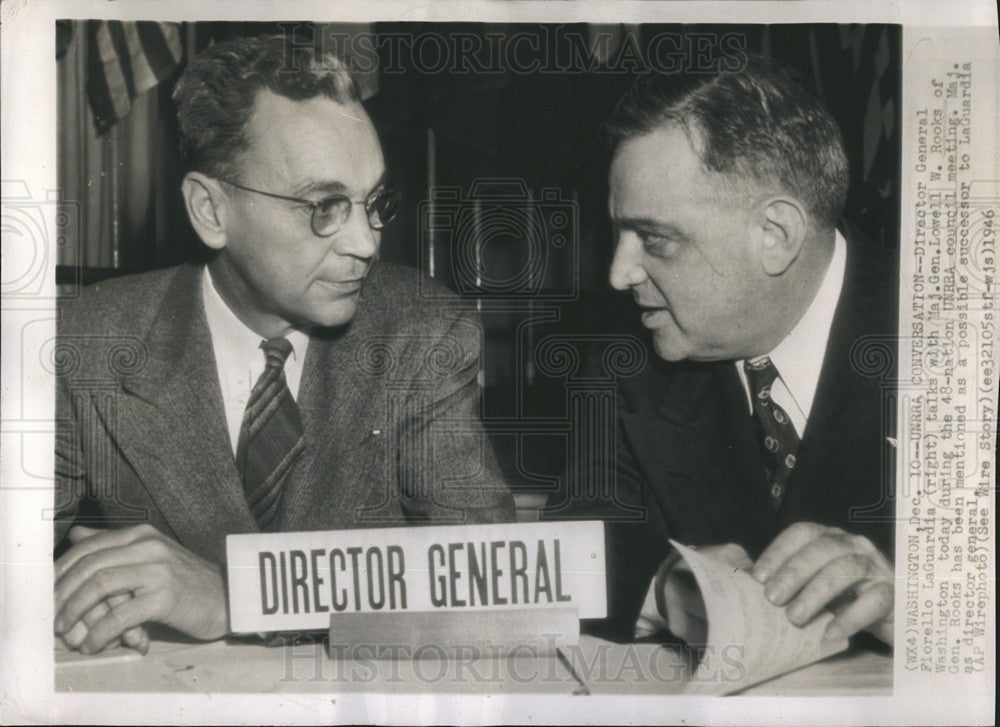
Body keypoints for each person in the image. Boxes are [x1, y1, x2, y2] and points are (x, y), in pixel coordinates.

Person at [54, 34, 514, 655]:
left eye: (373, 201)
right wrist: (78, 585)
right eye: (324, 205)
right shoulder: (87, 338)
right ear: (211, 211)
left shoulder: (422, 333)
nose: (367, 243)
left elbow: (489, 577)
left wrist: (236, 595)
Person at [547, 56, 897, 647]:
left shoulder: (961, 334)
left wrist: (927, 607)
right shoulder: (623, 357)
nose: (618, 273)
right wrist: (666, 591)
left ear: (775, 236)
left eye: (654, 238)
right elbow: (576, 545)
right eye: (619, 233)